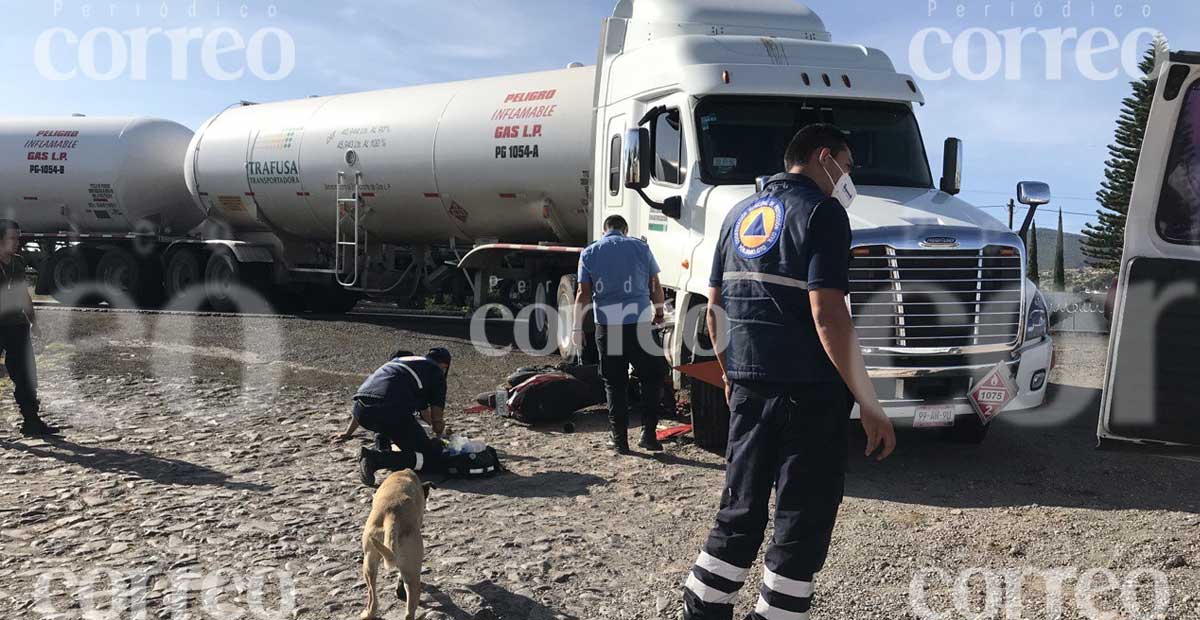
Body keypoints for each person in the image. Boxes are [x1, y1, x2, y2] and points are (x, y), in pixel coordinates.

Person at [682, 124, 897, 620]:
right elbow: (827, 313)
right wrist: (868, 401)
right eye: (847, 164)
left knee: (740, 509)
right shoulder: (824, 213)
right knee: (802, 517)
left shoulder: (737, 214)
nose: (849, 176)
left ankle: (702, 607)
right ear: (824, 157)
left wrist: (731, 373)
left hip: (750, 387)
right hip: (810, 398)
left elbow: (714, 307)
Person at [574, 214, 668, 454]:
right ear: (625, 229)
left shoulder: (590, 252)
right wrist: (658, 314)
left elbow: (582, 294)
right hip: (639, 325)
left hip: (609, 326)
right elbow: (655, 286)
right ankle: (649, 434)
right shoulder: (640, 247)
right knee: (652, 376)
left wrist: (577, 328)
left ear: (605, 229)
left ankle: (619, 440)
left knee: (615, 382)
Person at [332, 347, 452, 486]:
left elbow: (371, 397)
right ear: (444, 366)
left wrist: (348, 433)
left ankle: (383, 448)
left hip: (362, 410)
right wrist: (439, 435)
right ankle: (375, 459)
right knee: (429, 458)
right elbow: (436, 419)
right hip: (391, 410)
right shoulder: (435, 372)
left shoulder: (400, 362)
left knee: (387, 426)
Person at [0, 220, 57, 437]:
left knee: (26, 375)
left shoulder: (18, 263)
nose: (17, 242)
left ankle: (32, 421)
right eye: (12, 238)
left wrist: (34, 321)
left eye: (18, 238)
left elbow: (24, 294)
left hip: (17, 325)